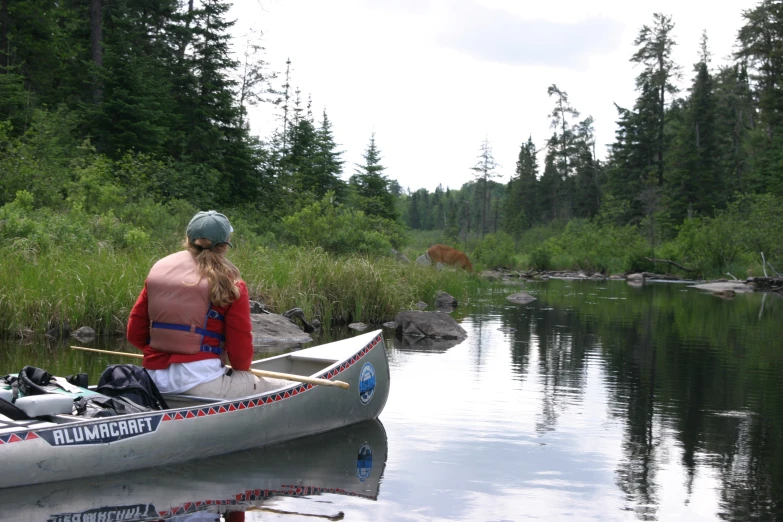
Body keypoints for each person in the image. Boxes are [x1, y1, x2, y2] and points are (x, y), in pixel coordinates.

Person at [126, 210, 289, 399]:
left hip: (153, 381)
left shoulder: (158, 272)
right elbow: (240, 353)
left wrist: (165, 354)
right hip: (201, 383)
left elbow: (134, 334)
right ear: (225, 244)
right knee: (284, 385)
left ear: (188, 238)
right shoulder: (231, 284)